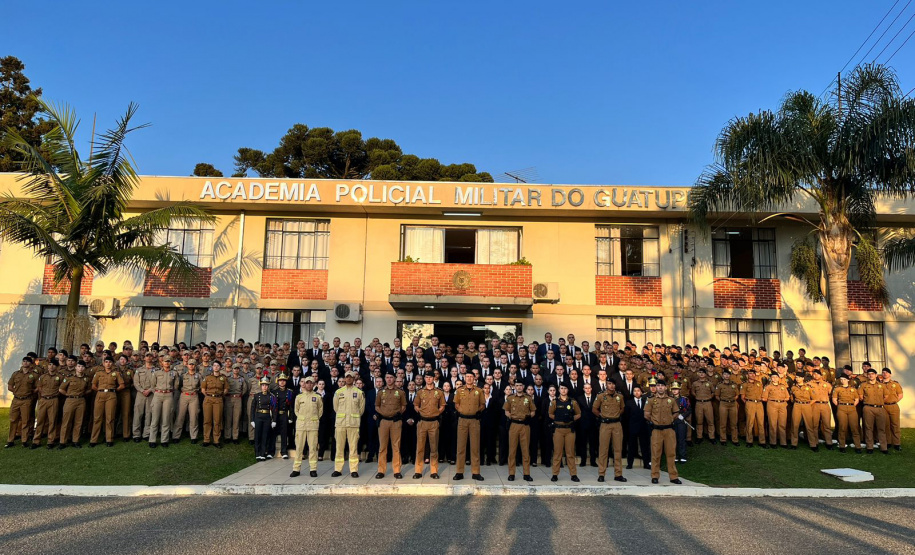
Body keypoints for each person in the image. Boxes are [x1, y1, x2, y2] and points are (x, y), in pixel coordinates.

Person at [644, 380, 682, 485]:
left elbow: (676, 413)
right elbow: (646, 414)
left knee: (671, 453)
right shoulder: (651, 400)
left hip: (669, 430)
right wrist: (654, 422)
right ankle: (655, 476)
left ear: (666, 388)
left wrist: (670, 420)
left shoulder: (671, 400)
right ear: (656, 387)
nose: (660, 387)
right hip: (656, 430)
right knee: (656, 454)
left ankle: (673, 476)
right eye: (658, 385)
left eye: (662, 385)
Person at [413, 370, 446, 479]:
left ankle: (434, 471)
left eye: (430, 377)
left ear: (433, 378)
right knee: (420, 447)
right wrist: (420, 411)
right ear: (424, 379)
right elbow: (416, 404)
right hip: (422, 422)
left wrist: (437, 412)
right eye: (427, 377)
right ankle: (418, 471)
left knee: (434, 447)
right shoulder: (420, 392)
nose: (429, 379)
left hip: (434, 422)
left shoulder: (439, 392)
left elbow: (442, 405)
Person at [453, 371, 485, 481]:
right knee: (460, 447)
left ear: (474, 378)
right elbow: (456, 404)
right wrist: (461, 410)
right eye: (467, 377)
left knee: (475, 447)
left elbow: (482, 404)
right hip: (462, 420)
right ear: (464, 378)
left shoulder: (479, 391)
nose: (469, 378)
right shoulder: (459, 390)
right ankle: (459, 472)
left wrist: (477, 411)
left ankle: (475, 472)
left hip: (474, 421)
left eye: (471, 376)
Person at [333, 370, 365, 477]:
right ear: (345, 378)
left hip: (353, 423)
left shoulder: (359, 392)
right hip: (341, 423)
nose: (349, 379)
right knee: (339, 447)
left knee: (353, 448)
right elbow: (335, 407)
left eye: (351, 377)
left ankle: (354, 470)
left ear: (354, 378)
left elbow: (361, 409)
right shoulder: (338, 392)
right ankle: (338, 469)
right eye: (347, 377)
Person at [375, 372, 407, 479]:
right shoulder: (380, 392)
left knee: (396, 446)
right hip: (383, 421)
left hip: (395, 422)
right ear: (385, 379)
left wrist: (399, 414)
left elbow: (403, 405)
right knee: (382, 447)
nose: (389, 379)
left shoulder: (400, 392)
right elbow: (377, 406)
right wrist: (382, 413)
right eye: (387, 377)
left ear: (394, 379)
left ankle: (397, 470)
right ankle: (381, 470)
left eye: (391, 378)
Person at [593, 382, 626, 482]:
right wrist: (602, 416)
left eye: (613, 384)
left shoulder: (619, 396)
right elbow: (594, 409)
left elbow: (622, 408)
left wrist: (616, 415)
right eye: (609, 384)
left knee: (618, 449)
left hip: (616, 425)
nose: (611, 386)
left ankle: (618, 474)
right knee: (603, 449)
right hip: (605, 425)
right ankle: (601, 474)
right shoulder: (601, 396)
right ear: (606, 385)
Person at [290, 376, 323, 478]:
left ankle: (313, 469)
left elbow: (320, 411)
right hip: (301, 425)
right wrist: (301, 418)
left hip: (313, 426)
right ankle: (296, 469)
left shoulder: (317, 397)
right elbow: (296, 410)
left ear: (314, 385)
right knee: (299, 447)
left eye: (311, 383)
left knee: (313, 448)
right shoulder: (299, 397)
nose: (309, 384)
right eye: (307, 383)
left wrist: (314, 419)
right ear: (304, 384)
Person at [503, 381, 536, 482]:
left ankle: (526, 474)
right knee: (512, 451)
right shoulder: (510, 398)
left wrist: (529, 417)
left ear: (523, 387)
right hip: (514, 425)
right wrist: (512, 417)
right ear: (515, 387)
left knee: (525, 451)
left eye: (520, 385)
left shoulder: (528, 398)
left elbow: (533, 411)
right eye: (517, 386)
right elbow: (506, 411)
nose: (519, 387)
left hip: (525, 426)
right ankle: (511, 473)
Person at [90, 357, 125, 447]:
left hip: (111, 395)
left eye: (110, 362)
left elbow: (122, 385)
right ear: (103, 363)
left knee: (110, 418)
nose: (108, 363)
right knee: (97, 418)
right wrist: (100, 390)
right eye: (106, 362)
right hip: (100, 395)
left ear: (112, 363)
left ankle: (109, 439)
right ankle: (93, 440)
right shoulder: (98, 373)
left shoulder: (116, 373)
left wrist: (114, 390)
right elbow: (93, 385)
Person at [549, 384, 581, 482]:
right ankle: (555, 474)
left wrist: (571, 418)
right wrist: (559, 419)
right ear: (559, 390)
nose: (563, 390)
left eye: (565, 388)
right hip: (558, 429)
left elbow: (579, 414)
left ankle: (573, 474)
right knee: (557, 453)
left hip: (569, 430)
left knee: (570, 453)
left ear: (567, 390)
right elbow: (550, 414)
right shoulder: (554, 402)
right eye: (561, 388)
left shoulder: (572, 402)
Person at [149, 356, 180, 448]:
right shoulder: (157, 372)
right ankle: (152, 440)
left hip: (168, 395)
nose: (166, 363)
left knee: (166, 419)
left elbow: (176, 386)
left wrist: (169, 392)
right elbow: (152, 385)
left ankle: (164, 440)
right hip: (158, 395)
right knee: (155, 418)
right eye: (165, 361)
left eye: (168, 361)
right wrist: (158, 392)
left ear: (171, 363)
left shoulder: (174, 373)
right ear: (162, 363)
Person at [58, 361, 90, 448]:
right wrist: (68, 395)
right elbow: (61, 389)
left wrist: (82, 394)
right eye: (79, 366)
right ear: (76, 367)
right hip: (70, 400)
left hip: (81, 400)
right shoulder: (69, 377)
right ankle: (63, 441)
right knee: (66, 421)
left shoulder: (86, 378)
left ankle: (75, 440)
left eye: (82, 367)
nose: (80, 368)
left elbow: (89, 389)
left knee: (78, 421)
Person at [32, 360, 62, 449]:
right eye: (50, 364)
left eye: (53, 365)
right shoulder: (43, 376)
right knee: (40, 420)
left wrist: (54, 395)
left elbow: (62, 388)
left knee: (52, 421)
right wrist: (45, 394)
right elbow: (39, 387)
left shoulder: (60, 377)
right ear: (47, 366)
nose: (51, 366)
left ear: (56, 367)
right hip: (43, 400)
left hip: (53, 400)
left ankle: (50, 441)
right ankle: (36, 440)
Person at [858, 368, 888, 454]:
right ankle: (869, 447)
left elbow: (886, 396)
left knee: (881, 428)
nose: (871, 375)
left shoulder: (881, 385)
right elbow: (861, 396)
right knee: (868, 428)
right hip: (868, 408)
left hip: (879, 408)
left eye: (872, 374)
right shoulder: (863, 385)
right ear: (867, 375)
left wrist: (879, 402)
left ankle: (884, 447)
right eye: (869, 374)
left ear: (876, 375)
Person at [173, 358, 202, 444]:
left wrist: (196, 391)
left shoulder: (198, 376)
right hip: (184, 396)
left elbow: (201, 386)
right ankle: (176, 436)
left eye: (193, 364)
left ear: (195, 365)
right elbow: (178, 386)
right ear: (187, 365)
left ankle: (193, 436)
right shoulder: (183, 376)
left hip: (194, 396)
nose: (191, 366)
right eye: (190, 364)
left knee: (194, 417)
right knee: (180, 416)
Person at [201, 363, 229, 448]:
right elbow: (203, 389)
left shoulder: (223, 378)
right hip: (208, 399)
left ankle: (216, 440)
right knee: (207, 420)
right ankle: (206, 439)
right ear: (212, 367)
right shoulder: (207, 377)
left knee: (217, 420)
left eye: (218, 366)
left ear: (220, 367)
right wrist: (208, 396)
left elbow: (226, 389)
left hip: (218, 400)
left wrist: (219, 396)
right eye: (214, 366)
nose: (216, 367)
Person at [831, 374, 862, 453]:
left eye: (844, 379)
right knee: (842, 427)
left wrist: (852, 405)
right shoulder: (837, 389)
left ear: (848, 380)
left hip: (852, 408)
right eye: (841, 379)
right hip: (841, 408)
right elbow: (834, 399)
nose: (842, 381)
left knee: (854, 427)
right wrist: (840, 406)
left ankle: (857, 446)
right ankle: (842, 445)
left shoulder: (853, 389)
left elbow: (857, 399)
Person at [790, 374, 819, 450]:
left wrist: (808, 404)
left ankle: (813, 444)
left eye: (799, 377)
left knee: (809, 425)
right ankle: (794, 444)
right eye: (796, 377)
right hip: (797, 405)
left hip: (806, 405)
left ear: (803, 378)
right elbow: (792, 398)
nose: (797, 379)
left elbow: (814, 398)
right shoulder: (793, 387)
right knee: (795, 425)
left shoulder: (808, 387)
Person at [132, 355, 157, 443]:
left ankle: (146, 434)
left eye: (150, 356)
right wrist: (142, 391)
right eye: (147, 356)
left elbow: (157, 383)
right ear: (144, 358)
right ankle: (136, 434)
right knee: (138, 414)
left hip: (151, 394)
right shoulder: (139, 370)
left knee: (149, 414)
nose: (149, 358)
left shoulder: (156, 370)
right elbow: (136, 382)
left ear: (152, 358)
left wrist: (150, 390)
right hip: (140, 394)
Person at [251, 376, 277, 461]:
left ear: (268, 386)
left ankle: (263, 453)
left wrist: (274, 420)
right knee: (258, 435)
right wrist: (252, 420)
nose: (264, 387)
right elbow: (252, 408)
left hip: (267, 418)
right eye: (263, 385)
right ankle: (257, 453)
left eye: (266, 385)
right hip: (258, 417)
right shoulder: (256, 396)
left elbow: (274, 409)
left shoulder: (271, 397)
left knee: (265, 436)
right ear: (260, 386)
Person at [762, 373, 790, 448]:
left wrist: (782, 400)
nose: (774, 378)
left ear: (778, 378)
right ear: (771, 378)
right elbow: (764, 398)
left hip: (782, 405)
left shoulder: (783, 387)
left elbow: (788, 397)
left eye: (776, 377)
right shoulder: (768, 387)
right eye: (773, 377)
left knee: (782, 424)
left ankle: (783, 442)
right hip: (772, 404)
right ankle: (773, 442)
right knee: (772, 424)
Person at [740, 369, 765, 448]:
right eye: (750, 374)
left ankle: (762, 441)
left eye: (753, 374)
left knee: (761, 423)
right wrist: (748, 403)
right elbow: (742, 397)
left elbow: (762, 394)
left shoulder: (759, 384)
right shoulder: (744, 384)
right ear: (747, 375)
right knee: (750, 422)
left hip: (759, 403)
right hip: (750, 403)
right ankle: (749, 441)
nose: (752, 375)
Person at [224, 364, 248, 444]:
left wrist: (240, 395)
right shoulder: (228, 379)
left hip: (238, 398)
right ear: (232, 370)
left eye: (238, 369)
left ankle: (235, 437)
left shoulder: (242, 379)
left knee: (236, 418)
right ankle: (227, 436)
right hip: (229, 398)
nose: (236, 370)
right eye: (235, 369)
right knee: (228, 418)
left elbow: (244, 389)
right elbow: (225, 387)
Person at [714, 369, 739, 446]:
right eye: (725, 374)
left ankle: (735, 439)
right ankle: (723, 439)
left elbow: (737, 395)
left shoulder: (734, 385)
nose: (726, 376)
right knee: (723, 422)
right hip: (723, 404)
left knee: (734, 423)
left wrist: (732, 400)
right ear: (722, 375)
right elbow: (717, 396)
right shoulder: (719, 385)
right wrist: (722, 401)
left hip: (732, 404)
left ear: (730, 375)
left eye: (728, 374)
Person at [691, 368, 715, 444]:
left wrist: (710, 397)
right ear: (698, 374)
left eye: (703, 373)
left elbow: (713, 392)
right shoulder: (695, 383)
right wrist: (698, 397)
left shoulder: (709, 383)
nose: (701, 374)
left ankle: (712, 437)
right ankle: (699, 437)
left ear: (705, 374)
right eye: (700, 372)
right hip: (698, 403)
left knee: (710, 421)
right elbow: (693, 392)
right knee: (699, 421)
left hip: (708, 403)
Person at [881, 368, 903, 451]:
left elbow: (900, 395)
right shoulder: (879, 384)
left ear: (890, 374)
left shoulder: (895, 384)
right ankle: (888, 442)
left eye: (886, 372)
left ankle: (897, 443)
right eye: (883, 372)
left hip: (893, 406)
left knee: (895, 425)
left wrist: (894, 401)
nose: (885, 374)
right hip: (884, 406)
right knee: (886, 425)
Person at [670, 382, 691, 462]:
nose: (674, 391)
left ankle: (682, 456)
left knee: (681, 438)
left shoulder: (684, 399)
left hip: (681, 421)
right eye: (673, 389)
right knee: (673, 439)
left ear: (679, 390)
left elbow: (689, 409)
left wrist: (683, 415)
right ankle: (674, 456)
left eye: (676, 389)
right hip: (672, 421)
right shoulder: (669, 399)